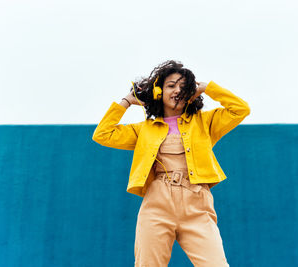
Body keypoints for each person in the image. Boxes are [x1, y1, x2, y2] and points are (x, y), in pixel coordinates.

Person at [92, 60, 251, 266]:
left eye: (183, 87)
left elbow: (241, 109)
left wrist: (206, 87)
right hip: (157, 205)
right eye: (171, 85)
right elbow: (103, 134)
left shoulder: (205, 122)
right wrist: (127, 101)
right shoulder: (144, 130)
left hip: (197, 204)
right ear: (159, 92)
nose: (178, 90)